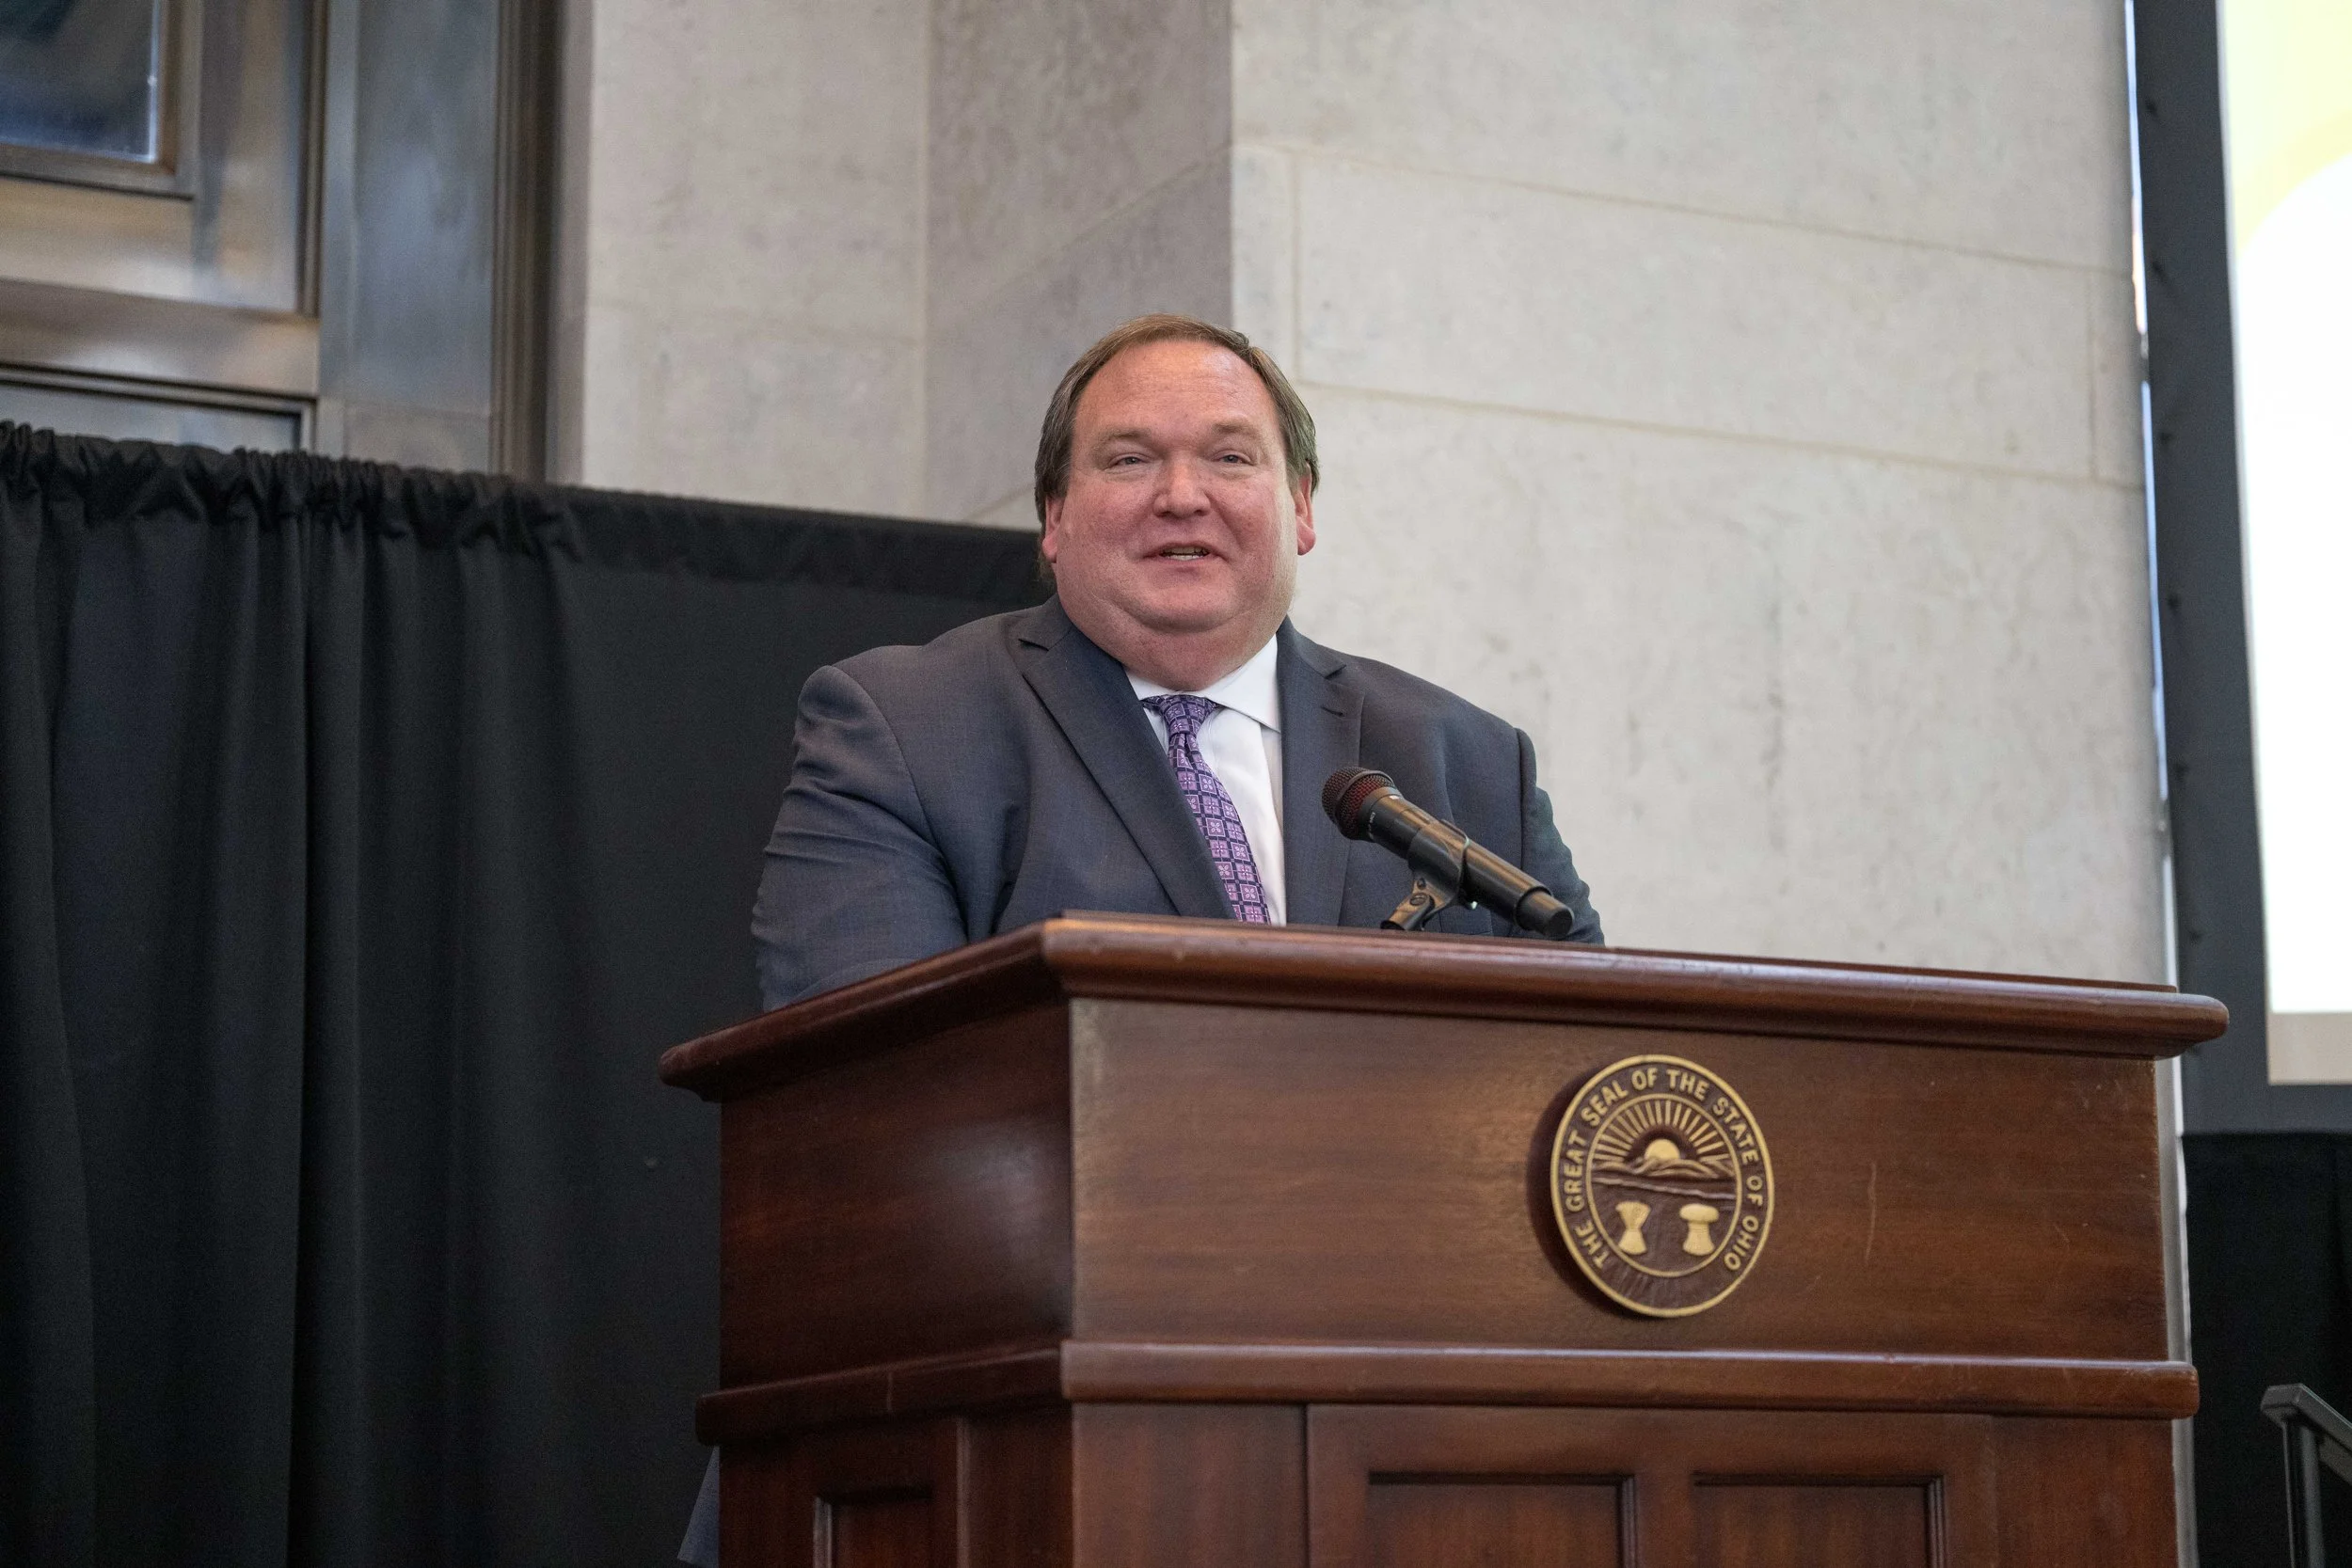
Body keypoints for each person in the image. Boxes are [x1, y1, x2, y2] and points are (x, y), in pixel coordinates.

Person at [679, 313, 1601, 1562]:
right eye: (1128, 460)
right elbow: (874, 1104)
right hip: (996, 1443)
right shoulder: (905, 726)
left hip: (1416, 1454)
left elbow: (1587, 1073)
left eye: (1230, 457)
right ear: (1054, 516)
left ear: (1302, 507)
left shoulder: (1460, 760)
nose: (1183, 495)